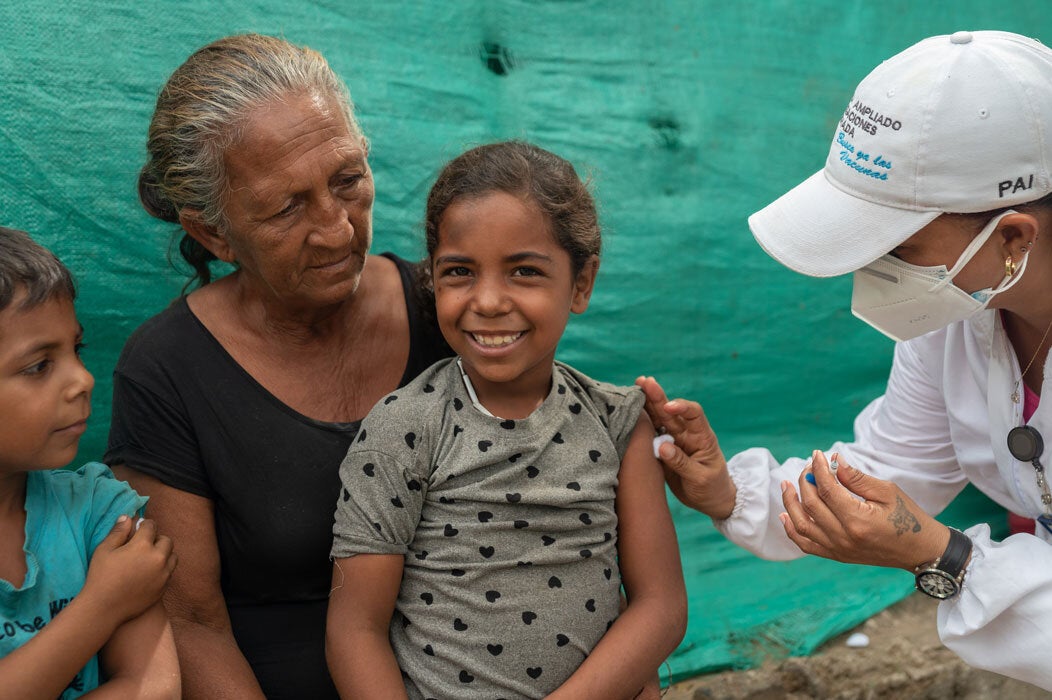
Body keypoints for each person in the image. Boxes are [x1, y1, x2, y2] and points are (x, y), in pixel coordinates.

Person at [637, 30, 1052, 691]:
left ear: (1012, 236)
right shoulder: (961, 314)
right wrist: (733, 493)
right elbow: (893, 470)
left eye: (899, 246)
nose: (873, 270)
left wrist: (945, 556)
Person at [104, 34, 452, 699]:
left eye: (348, 179)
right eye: (287, 207)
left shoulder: (451, 311)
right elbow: (191, 618)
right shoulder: (166, 371)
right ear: (213, 234)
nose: (338, 229)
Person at [327, 141, 687, 699]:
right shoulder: (405, 429)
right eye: (460, 272)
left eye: (524, 271)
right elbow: (355, 630)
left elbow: (660, 608)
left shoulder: (618, 424)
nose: (489, 301)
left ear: (582, 283)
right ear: (433, 280)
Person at [0, 227, 179, 699]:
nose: (83, 378)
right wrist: (102, 605)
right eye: (38, 365)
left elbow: (155, 688)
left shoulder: (101, 512)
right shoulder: (112, 572)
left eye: (75, 349)